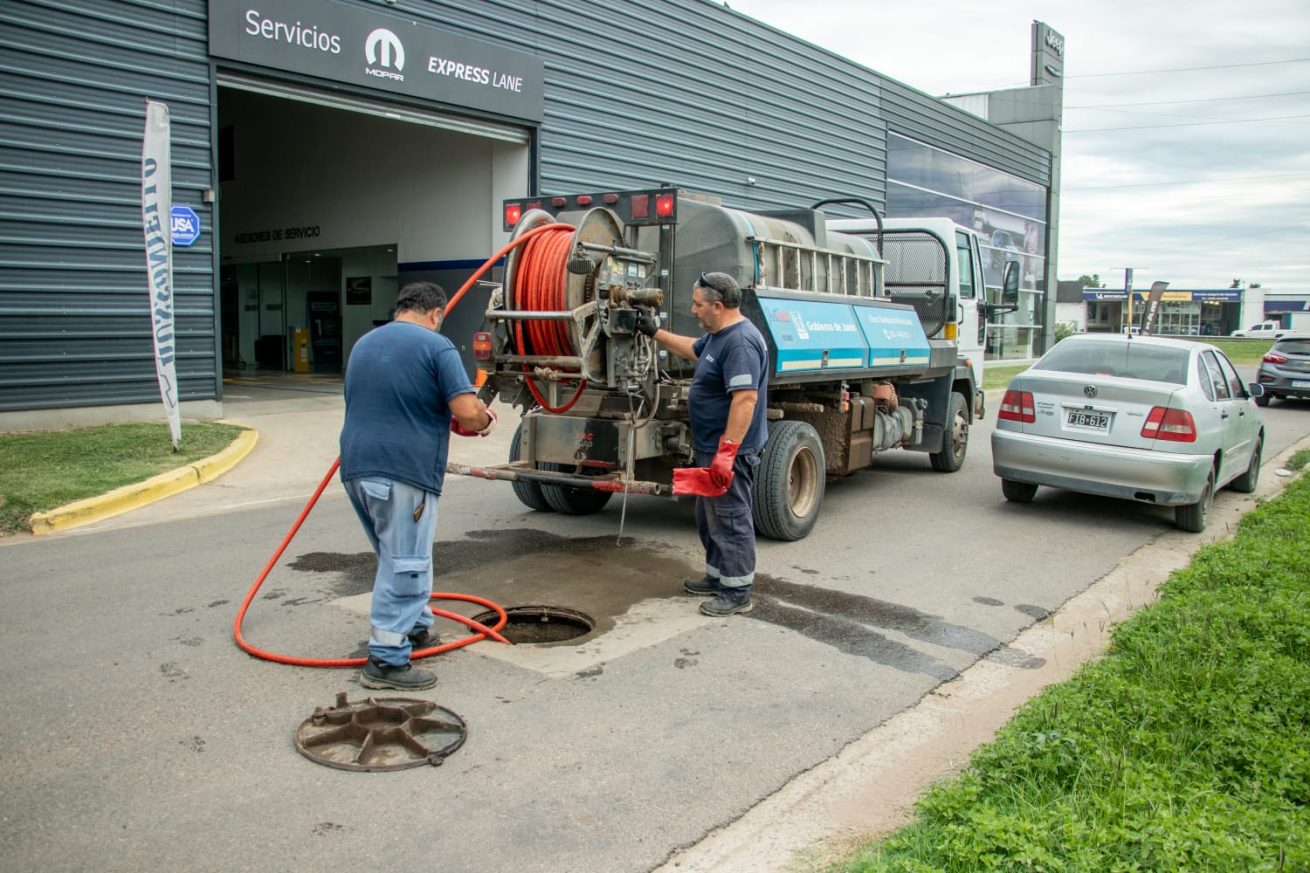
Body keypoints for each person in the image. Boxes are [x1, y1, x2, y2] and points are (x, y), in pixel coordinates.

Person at [339, 281, 496, 690]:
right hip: (403, 471)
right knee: (408, 565)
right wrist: (481, 420)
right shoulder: (437, 347)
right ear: (436, 313)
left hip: (357, 468)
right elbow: (466, 411)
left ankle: (416, 627)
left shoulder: (365, 343)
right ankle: (387, 660)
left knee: (394, 555)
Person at [636, 271, 769, 616]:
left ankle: (738, 590)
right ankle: (717, 576)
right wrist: (653, 331)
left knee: (730, 516)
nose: (693, 310)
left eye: (698, 305)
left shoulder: (740, 343)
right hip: (709, 446)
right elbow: (693, 350)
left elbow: (745, 400)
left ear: (718, 306)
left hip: (730, 451)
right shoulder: (718, 336)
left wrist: (726, 453)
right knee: (708, 515)